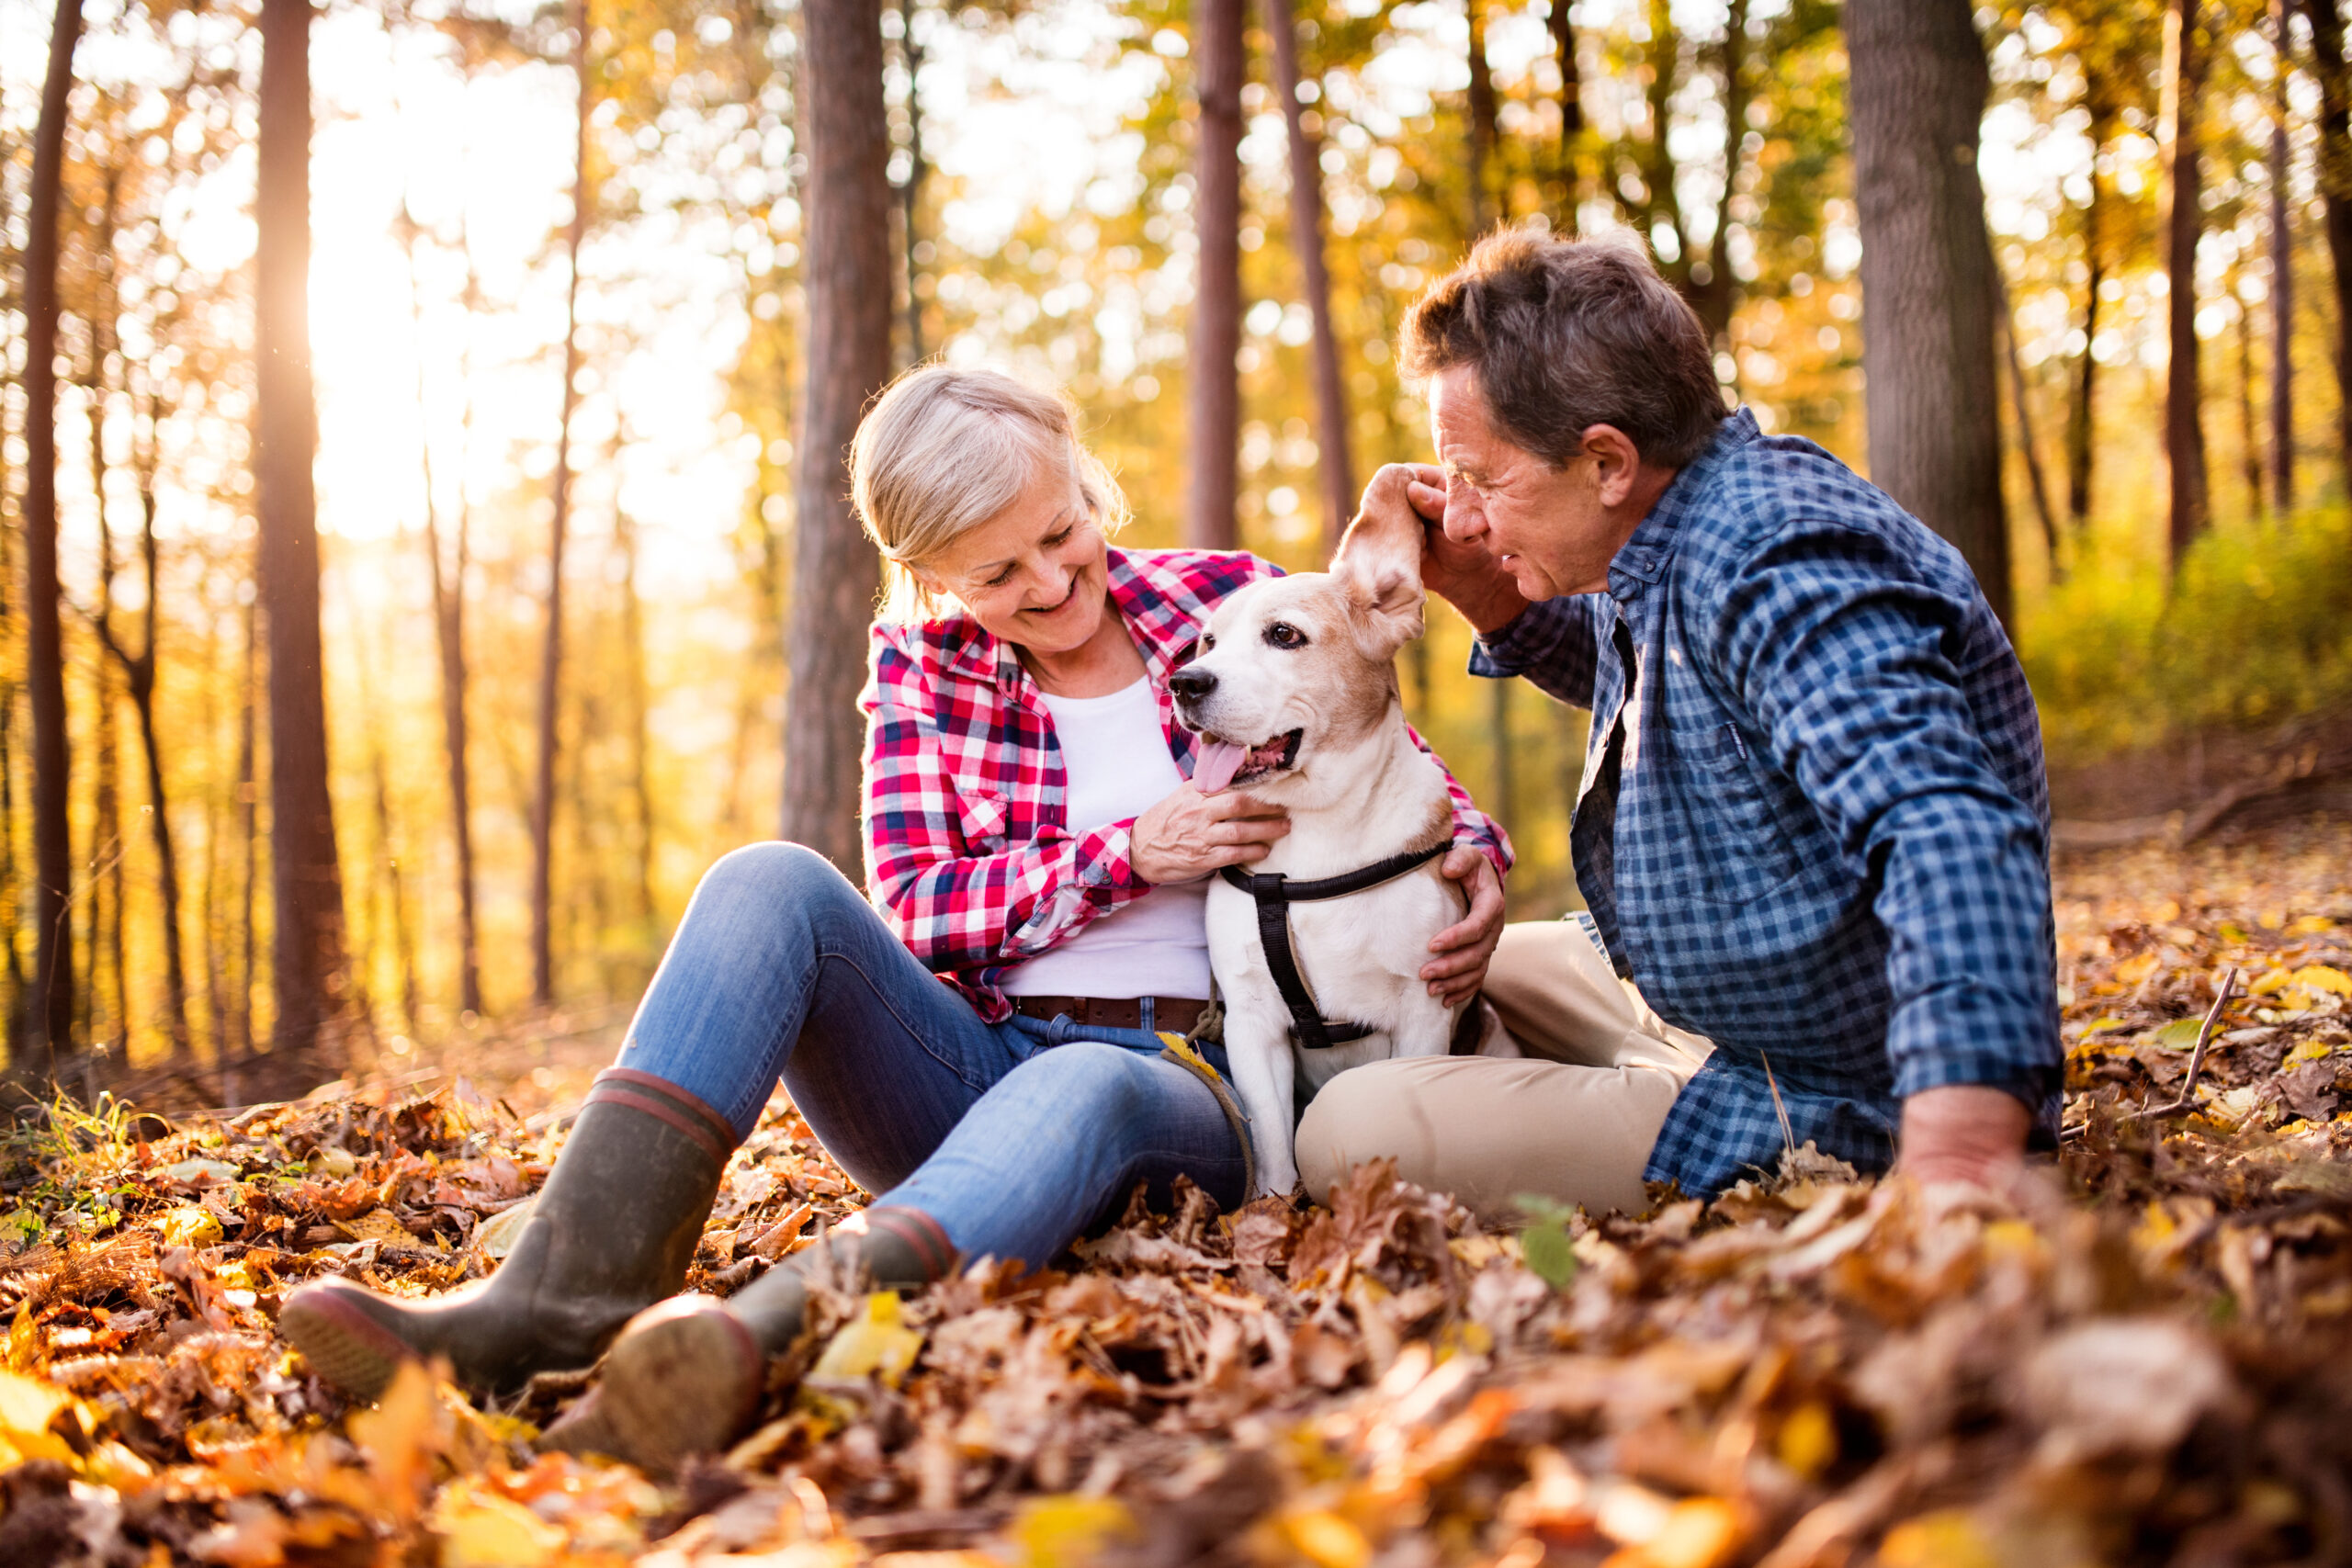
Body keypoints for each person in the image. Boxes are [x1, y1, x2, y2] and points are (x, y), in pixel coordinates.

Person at [279, 367, 1511, 1469]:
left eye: (1060, 532)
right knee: (768, 879)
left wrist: (1482, 855)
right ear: (930, 578)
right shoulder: (925, 671)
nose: (1050, 582)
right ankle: (558, 1294)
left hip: (1188, 1074)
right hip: (968, 1059)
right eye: (997, 572)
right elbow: (919, 911)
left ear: (1089, 489)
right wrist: (1124, 854)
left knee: (1086, 1079)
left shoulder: (1226, 602)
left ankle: (752, 1341)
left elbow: (1388, 767)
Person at [1292, 231, 2060, 1213]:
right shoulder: (1667, 527)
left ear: (1605, 460)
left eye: (1484, 480)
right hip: (1692, 1004)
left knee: (1354, 1130)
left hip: (1824, 1087)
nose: (1467, 515)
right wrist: (1487, 586)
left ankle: (1679, 1125)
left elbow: (1945, 831)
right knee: (1427, 954)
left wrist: (1956, 1150)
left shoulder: (1776, 558)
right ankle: (1602, 1091)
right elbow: (1648, 681)